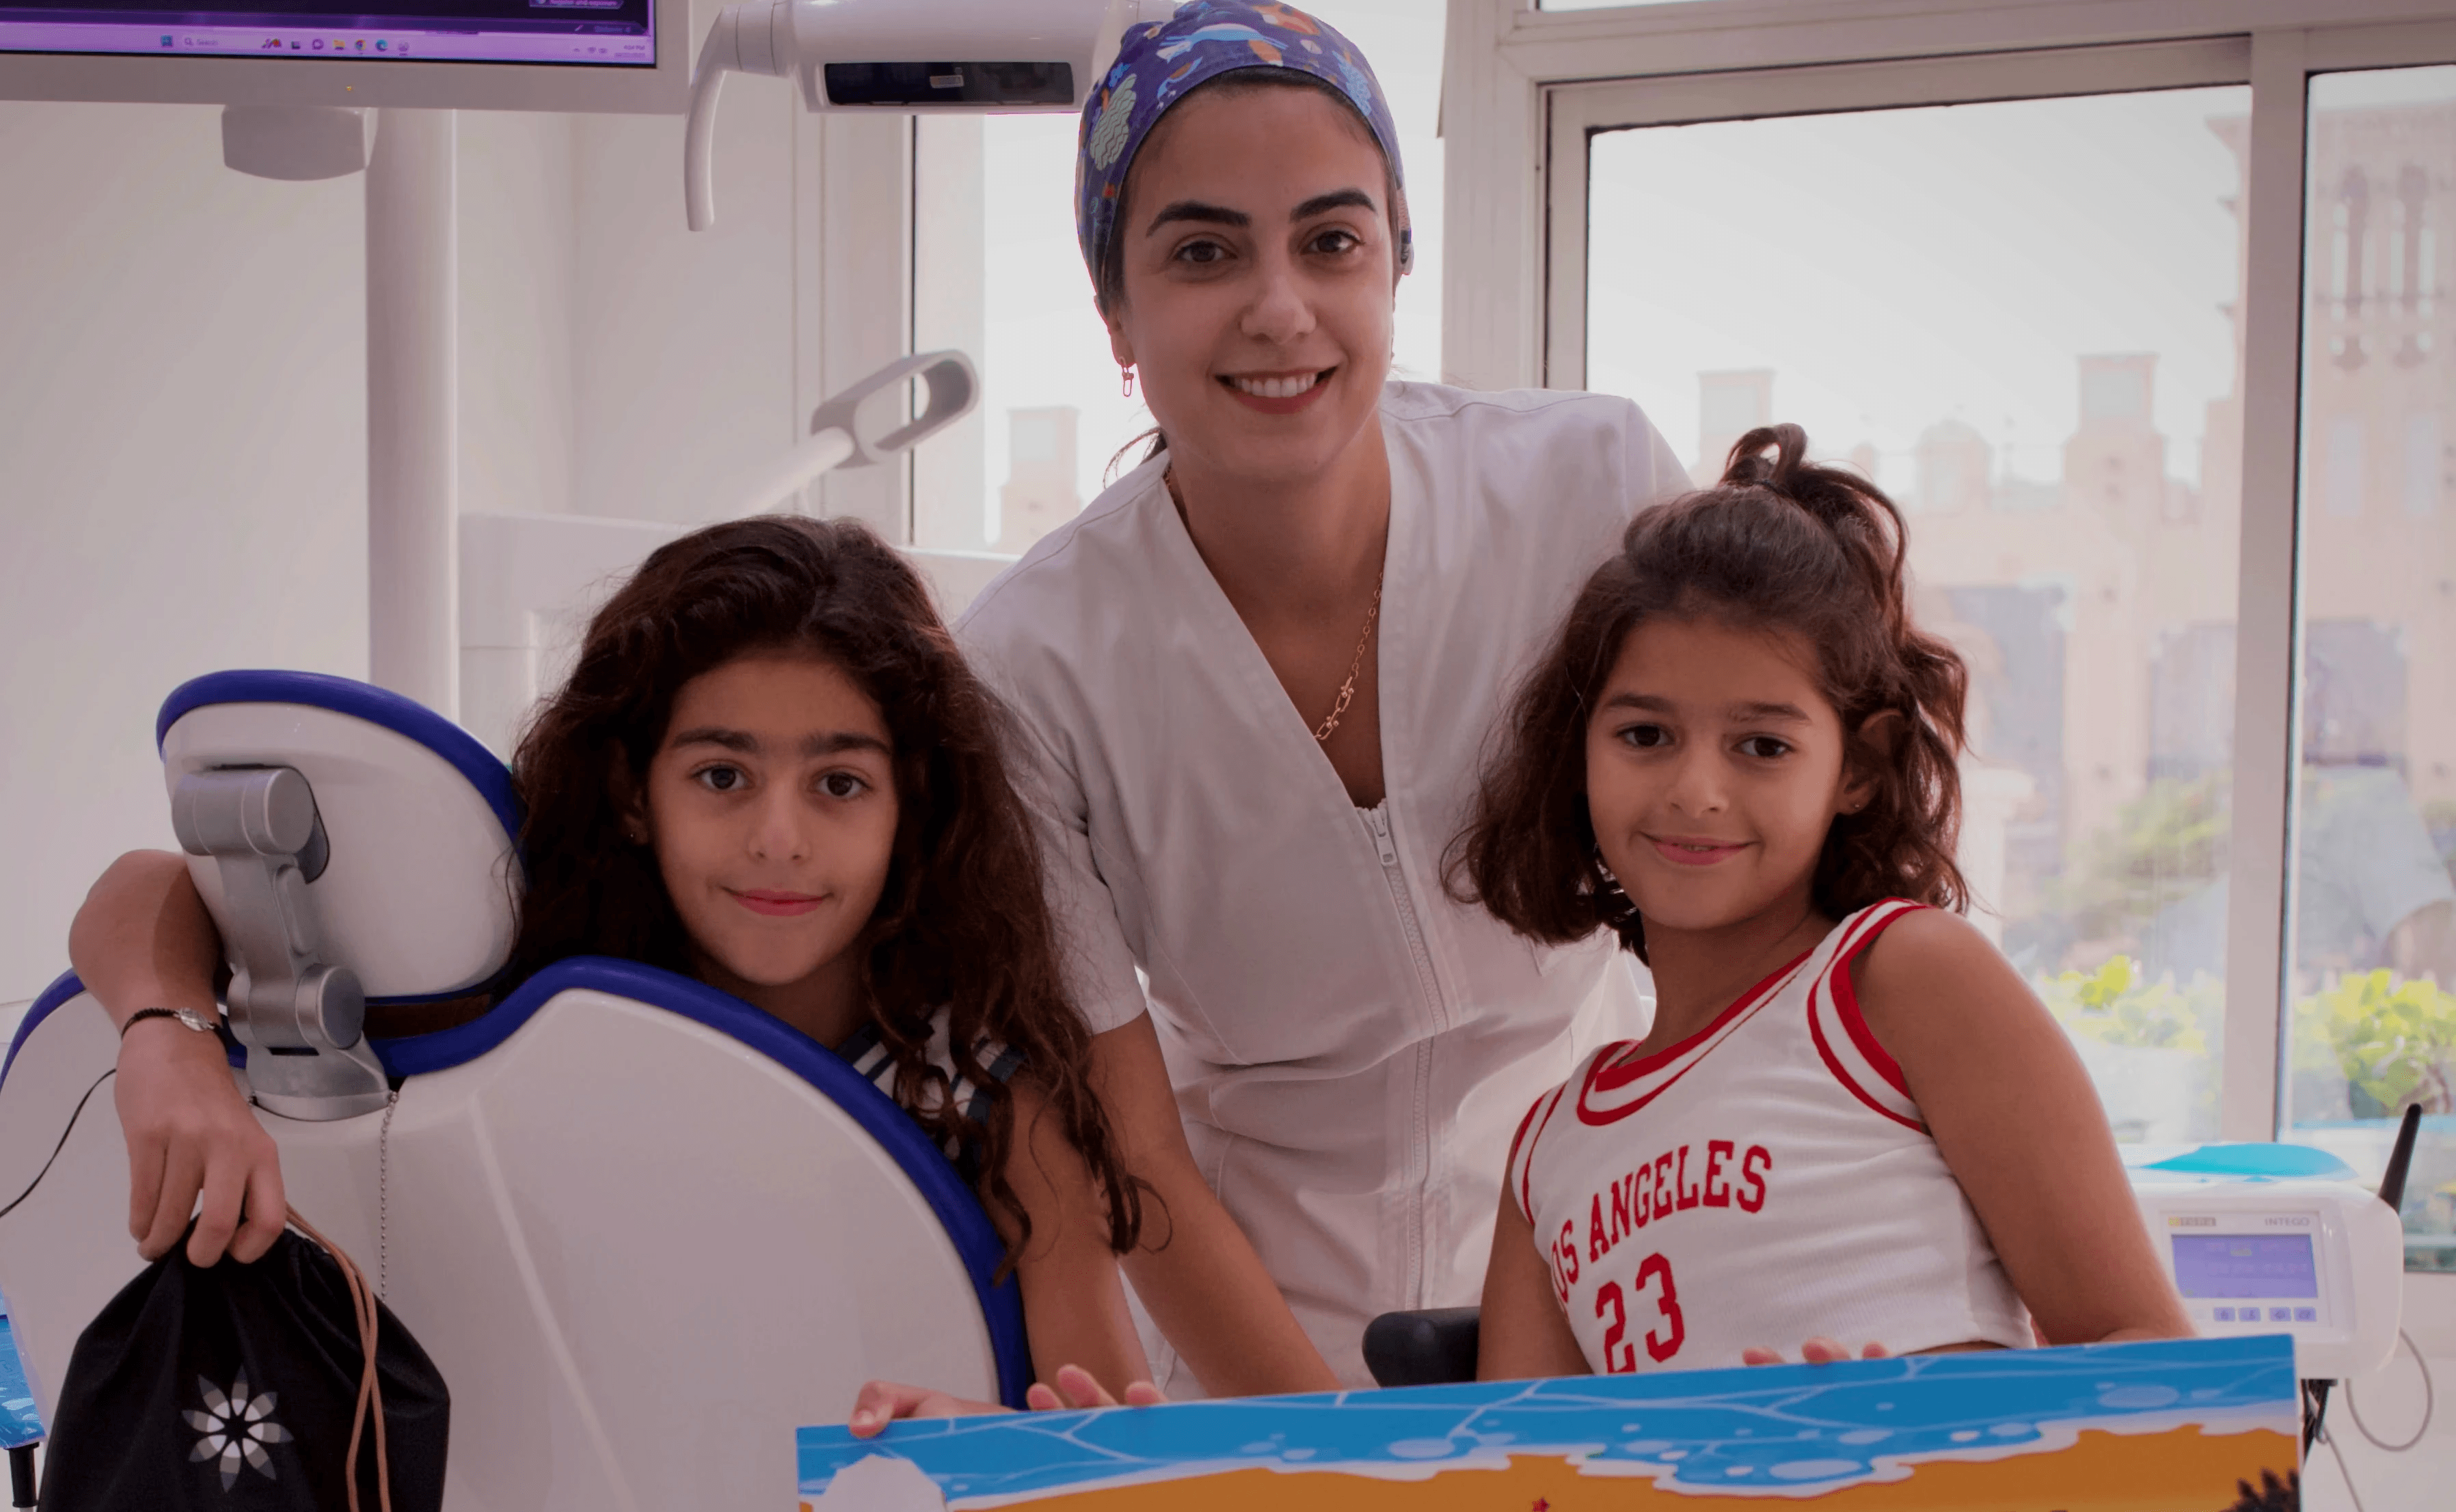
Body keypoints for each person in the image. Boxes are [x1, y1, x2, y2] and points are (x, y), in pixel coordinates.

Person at [946, 0, 1691, 1396]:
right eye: (1202, 250)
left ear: (1393, 265)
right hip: (1259, 1319)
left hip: (1622, 1264)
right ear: (1115, 308)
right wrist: (1335, 1456)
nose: (1277, 306)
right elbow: (1133, 1150)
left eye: (1330, 241)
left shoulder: (1591, 492)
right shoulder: (1025, 670)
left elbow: (1769, 911)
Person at [72, 515, 1154, 1412]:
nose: (780, 837)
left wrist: (982, 1447)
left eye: (839, 785)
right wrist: (167, 1042)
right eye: (723, 776)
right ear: (637, 794)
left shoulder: (993, 1103)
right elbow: (143, 884)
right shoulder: (535, 1006)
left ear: (911, 808)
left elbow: (1094, 1449)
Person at [1450, 426, 2192, 1377]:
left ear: (1861, 768)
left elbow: (2151, 1366)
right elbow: (1526, 1486)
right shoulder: (1547, 1153)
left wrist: (1882, 1441)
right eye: (1645, 735)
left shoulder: (1904, 977)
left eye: (1762, 746)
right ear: (1579, 753)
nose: (1696, 792)